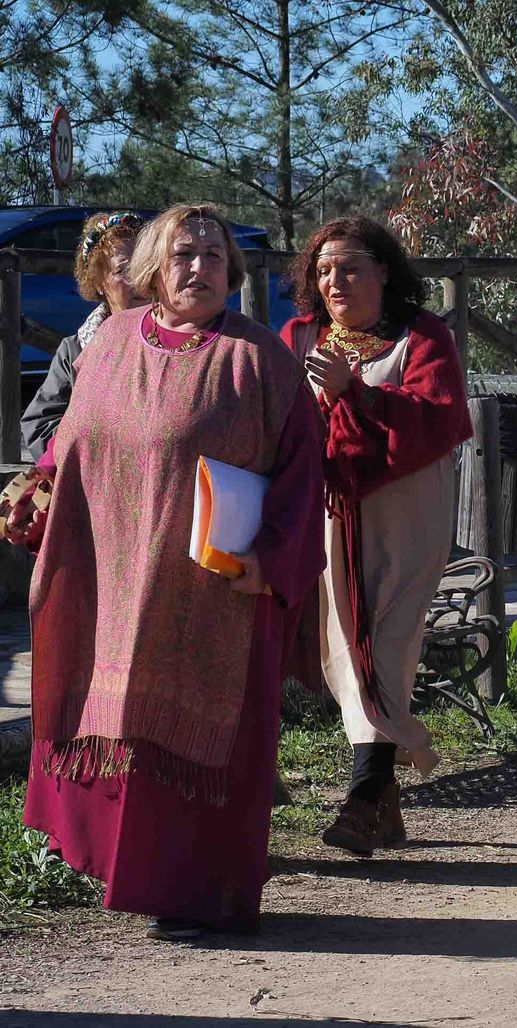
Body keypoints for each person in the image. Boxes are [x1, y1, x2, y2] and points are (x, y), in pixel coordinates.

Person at [20, 203, 325, 941]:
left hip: (218, 589)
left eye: (214, 257)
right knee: (122, 729)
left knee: (207, 745)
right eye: (184, 255)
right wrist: (35, 492)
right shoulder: (110, 345)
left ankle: (205, 896)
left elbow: (302, 477)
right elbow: (71, 441)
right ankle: (135, 876)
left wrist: (271, 561)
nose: (199, 268)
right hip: (118, 578)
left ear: (233, 272)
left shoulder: (261, 361)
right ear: (156, 268)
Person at [281, 216, 473, 857]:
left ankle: (362, 798)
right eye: (325, 269)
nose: (336, 280)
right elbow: (276, 420)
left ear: (384, 271)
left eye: (352, 267)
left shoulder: (423, 336)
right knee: (345, 645)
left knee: (385, 644)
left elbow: (440, 419)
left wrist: (355, 391)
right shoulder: (301, 338)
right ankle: (380, 799)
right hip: (333, 515)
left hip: (407, 516)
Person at [21, 211, 148, 459]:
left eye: (145, 267)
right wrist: (97, 448)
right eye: (124, 270)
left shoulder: (183, 337)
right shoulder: (77, 349)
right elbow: (39, 425)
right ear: (99, 282)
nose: (139, 280)